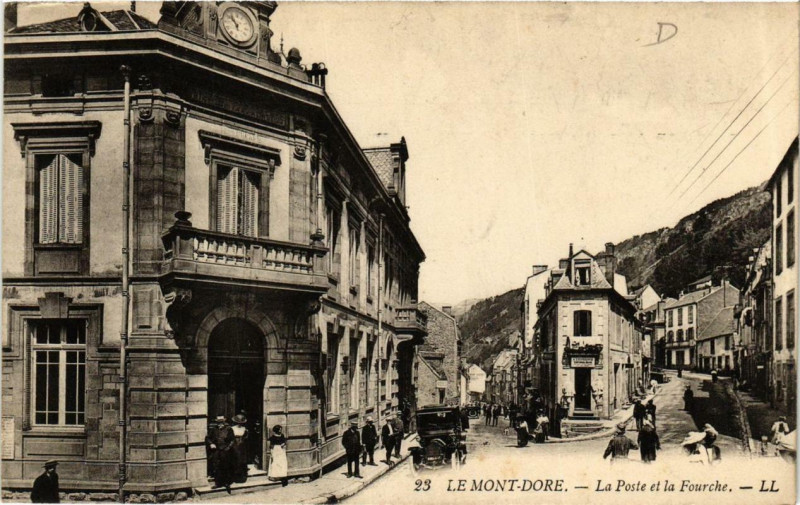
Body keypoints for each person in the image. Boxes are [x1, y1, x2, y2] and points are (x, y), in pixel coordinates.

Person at [209, 415, 235, 491]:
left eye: (221, 422)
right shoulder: (214, 429)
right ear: (216, 422)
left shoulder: (229, 429)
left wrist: (228, 448)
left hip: (225, 451)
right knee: (216, 466)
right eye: (218, 422)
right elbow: (208, 438)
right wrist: (211, 443)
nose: (220, 424)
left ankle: (227, 483)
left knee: (226, 466)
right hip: (216, 451)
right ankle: (218, 483)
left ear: (224, 421)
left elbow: (232, 440)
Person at [230, 414, 249, 483]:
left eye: (241, 422)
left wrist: (243, 439)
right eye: (238, 422)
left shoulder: (244, 429)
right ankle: (234, 477)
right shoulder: (232, 428)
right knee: (235, 460)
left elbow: (246, 437)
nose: (239, 424)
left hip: (242, 446)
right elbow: (231, 437)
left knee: (242, 461)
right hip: (234, 445)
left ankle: (241, 477)